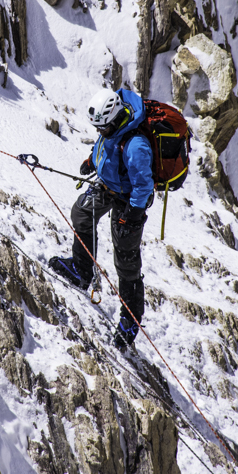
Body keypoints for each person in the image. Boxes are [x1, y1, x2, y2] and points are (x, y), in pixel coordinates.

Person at [49, 87, 153, 349]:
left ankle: (130, 320)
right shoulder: (111, 128)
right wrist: (92, 161)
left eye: (102, 128)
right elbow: (104, 146)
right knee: (82, 213)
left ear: (115, 119)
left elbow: (143, 185)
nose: (99, 131)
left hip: (129, 201)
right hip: (108, 186)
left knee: (126, 259)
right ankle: (82, 270)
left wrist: (133, 214)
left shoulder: (136, 144)